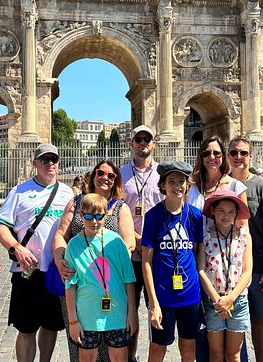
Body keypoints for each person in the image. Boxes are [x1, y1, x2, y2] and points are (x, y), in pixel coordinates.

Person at [0, 144, 75, 362]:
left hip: (55, 270)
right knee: (26, 328)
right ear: (34, 163)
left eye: (54, 159)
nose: (50, 164)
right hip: (26, 270)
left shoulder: (68, 193)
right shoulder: (20, 190)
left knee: (51, 325)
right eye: (45, 159)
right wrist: (16, 247)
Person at [53, 159, 136, 362]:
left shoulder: (120, 207)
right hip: (81, 282)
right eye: (100, 173)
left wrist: (104, 260)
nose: (105, 178)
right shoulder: (76, 201)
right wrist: (59, 259)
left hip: (110, 285)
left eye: (111, 175)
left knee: (115, 351)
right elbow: (60, 234)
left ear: (116, 180)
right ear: (93, 175)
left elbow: (129, 243)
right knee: (81, 346)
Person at [65, 193, 138, 362]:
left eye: (99, 216)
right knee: (87, 358)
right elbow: (70, 285)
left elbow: (129, 280)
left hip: (117, 315)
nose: (94, 221)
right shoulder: (74, 245)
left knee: (119, 358)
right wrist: (73, 321)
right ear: (81, 216)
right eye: (89, 216)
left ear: (106, 215)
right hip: (87, 316)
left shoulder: (116, 241)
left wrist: (131, 313)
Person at [142, 161, 203, 362]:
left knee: (188, 349)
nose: (177, 186)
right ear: (162, 185)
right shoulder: (153, 216)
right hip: (163, 296)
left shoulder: (195, 215)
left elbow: (196, 252)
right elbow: (147, 262)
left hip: (189, 294)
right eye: (171, 181)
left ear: (187, 185)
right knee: (157, 349)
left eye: (181, 181)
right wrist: (153, 304)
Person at [228, 137, 263, 362]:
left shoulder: (262, 186)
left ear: (251, 156)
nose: (238, 157)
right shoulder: (222, 183)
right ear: (228, 156)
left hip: (257, 264)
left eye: (243, 153)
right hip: (227, 267)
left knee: (259, 318)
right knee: (231, 322)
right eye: (234, 153)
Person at [119, 125, 164, 362]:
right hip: (129, 254)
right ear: (131, 144)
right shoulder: (121, 174)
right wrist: (136, 240)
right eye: (139, 139)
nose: (143, 142)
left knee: (156, 310)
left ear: (154, 144)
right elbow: (114, 212)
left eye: (148, 139)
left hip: (157, 255)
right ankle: (131, 356)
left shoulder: (164, 174)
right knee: (129, 312)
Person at [197, 190, 252, 362]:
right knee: (216, 353)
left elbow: (247, 270)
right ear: (213, 211)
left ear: (236, 214)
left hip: (238, 300)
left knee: (234, 354)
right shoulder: (205, 236)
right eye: (221, 211)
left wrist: (231, 298)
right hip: (214, 300)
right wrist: (217, 300)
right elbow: (200, 269)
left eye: (231, 212)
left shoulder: (243, 235)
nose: (226, 216)